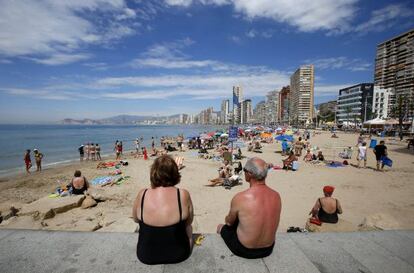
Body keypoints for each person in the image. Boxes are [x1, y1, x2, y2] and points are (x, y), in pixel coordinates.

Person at [132, 155, 194, 265]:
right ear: (175, 174)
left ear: (153, 173)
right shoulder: (183, 194)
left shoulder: (143, 194)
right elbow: (189, 222)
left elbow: (136, 219)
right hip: (179, 254)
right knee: (189, 227)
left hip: (145, 255)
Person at [217, 157, 281, 259]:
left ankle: (220, 230)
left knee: (222, 227)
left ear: (250, 174)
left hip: (245, 249)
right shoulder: (276, 196)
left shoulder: (241, 197)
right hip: (268, 249)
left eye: (245, 170)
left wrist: (224, 225)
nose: (244, 172)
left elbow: (229, 223)